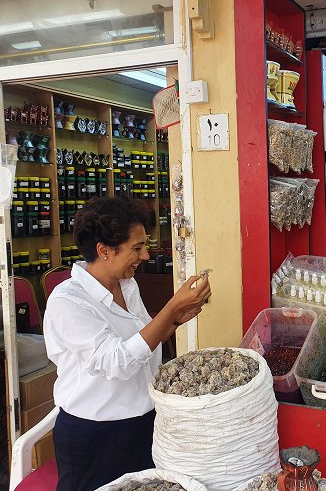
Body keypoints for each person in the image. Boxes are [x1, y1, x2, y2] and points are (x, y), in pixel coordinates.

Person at [44, 196, 212, 491]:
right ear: (104, 250)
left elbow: (141, 340)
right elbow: (118, 361)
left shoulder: (127, 284)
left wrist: (173, 321)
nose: (145, 256)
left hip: (142, 423)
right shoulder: (67, 302)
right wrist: (172, 308)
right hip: (96, 435)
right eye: (137, 248)